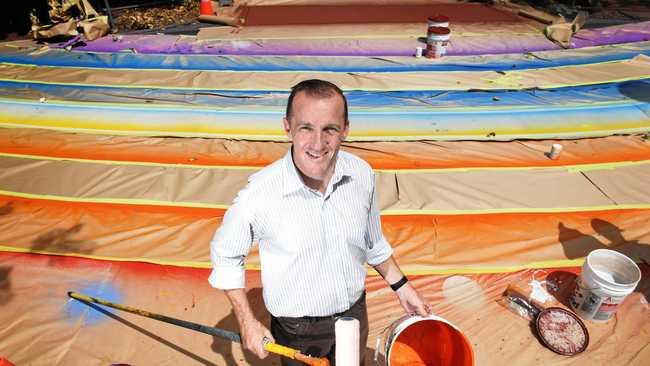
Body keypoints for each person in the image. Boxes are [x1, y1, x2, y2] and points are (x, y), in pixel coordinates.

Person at [209, 79, 430, 365]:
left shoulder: (361, 175)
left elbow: (372, 241)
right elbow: (226, 255)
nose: (317, 143)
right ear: (287, 126)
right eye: (306, 128)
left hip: (354, 315)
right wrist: (247, 322)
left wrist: (403, 287)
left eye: (330, 129)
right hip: (297, 330)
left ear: (345, 130)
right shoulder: (259, 194)